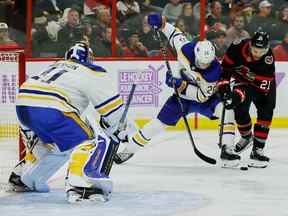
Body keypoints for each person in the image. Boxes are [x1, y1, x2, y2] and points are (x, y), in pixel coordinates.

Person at [8, 42, 133, 203]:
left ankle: (24, 177)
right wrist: (119, 128)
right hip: (52, 109)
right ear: (89, 58)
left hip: (23, 106)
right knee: (91, 141)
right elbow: (113, 109)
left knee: (53, 147)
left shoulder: (55, 66)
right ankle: (81, 186)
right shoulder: (90, 71)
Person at [114, 13, 241, 168]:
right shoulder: (185, 48)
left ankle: (227, 149)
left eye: (206, 63)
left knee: (226, 110)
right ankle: (129, 149)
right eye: (201, 61)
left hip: (206, 99)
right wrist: (161, 23)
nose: (203, 65)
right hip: (181, 98)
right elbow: (173, 33)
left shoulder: (214, 72)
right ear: (195, 52)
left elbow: (201, 97)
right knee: (157, 124)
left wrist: (181, 85)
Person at [217, 30, 276, 168]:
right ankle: (247, 136)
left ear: (266, 49)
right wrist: (224, 90)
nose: (257, 54)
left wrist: (248, 79)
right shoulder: (236, 48)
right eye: (255, 50)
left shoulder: (268, 58)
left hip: (264, 85)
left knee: (266, 111)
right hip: (242, 81)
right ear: (250, 44)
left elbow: (264, 84)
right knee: (239, 109)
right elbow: (225, 70)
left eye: (261, 52)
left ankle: (257, 151)